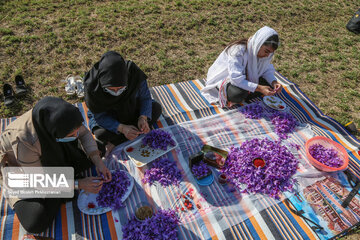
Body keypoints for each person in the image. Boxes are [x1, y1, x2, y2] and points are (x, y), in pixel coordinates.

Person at [0, 97, 112, 233]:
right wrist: (78, 184)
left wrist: (98, 162)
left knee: (97, 149)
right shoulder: (24, 140)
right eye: (72, 134)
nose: (76, 135)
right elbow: (38, 180)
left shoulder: (65, 117)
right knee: (35, 222)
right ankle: (61, 189)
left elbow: (84, 133)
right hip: (21, 168)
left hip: (53, 151)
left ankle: (62, 184)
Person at [84, 51, 162, 156]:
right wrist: (122, 128)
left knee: (156, 109)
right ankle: (122, 137)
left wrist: (143, 118)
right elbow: (100, 116)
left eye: (121, 88)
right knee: (101, 134)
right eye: (111, 89)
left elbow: (145, 98)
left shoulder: (134, 74)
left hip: (132, 107)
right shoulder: (93, 86)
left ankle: (120, 139)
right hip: (110, 115)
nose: (116, 93)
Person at [201, 26, 282, 108]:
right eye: (266, 51)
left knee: (271, 86)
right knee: (238, 94)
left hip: (245, 79)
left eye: (270, 53)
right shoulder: (238, 50)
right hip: (227, 80)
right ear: (259, 44)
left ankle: (251, 91)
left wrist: (274, 82)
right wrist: (260, 88)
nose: (267, 55)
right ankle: (247, 93)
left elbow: (266, 69)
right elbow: (236, 79)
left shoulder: (262, 54)